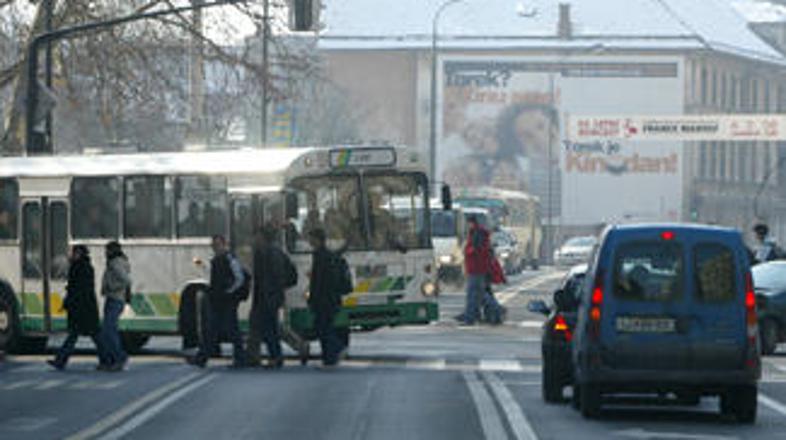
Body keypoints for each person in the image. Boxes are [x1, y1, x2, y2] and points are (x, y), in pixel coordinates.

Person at [189, 235, 247, 368]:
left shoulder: (229, 258)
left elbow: (239, 278)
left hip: (226, 301)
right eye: (213, 245)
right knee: (212, 330)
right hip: (217, 301)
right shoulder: (217, 260)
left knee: (231, 330)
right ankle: (202, 358)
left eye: (217, 245)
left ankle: (239, 358)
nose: (215, 248)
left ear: (224, 244)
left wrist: (228, 291)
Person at [47, 245, 107, 370]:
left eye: (74, 253)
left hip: (81, 309)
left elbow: (75, 289)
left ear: (79, 254)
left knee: (81, 336)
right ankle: (105, 359)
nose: (72, 255)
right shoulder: (85, 266)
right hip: (86, 308)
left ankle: (61, 361)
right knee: (91, 336)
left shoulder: (78, 267)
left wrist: (68, 303)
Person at [247, 225, 294, 368]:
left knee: (270, 329)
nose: (254, 239)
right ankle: (254, 356)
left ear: (262, 237)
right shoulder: (261, 252)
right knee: (261, 326)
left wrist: (273, 295)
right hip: (263, 297)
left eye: (256, 236)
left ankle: (276, 356)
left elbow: (276, 277)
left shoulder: (272, 252)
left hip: (269, 297)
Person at [456, 215, 503, 325]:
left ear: (471, 223)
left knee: (475, 294)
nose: (466, 226)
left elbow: (477, 251)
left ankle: (471, 317)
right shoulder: (477, 233)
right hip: (478, 269)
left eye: (467, 223)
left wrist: (468, 252)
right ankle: (474, 315)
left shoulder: (477, 234)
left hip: (476, 269)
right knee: (479, 294)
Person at [307, 228, 343, 367]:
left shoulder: (320, 255)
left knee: (323, 328)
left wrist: (312, 298)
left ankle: (337, 348)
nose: (309, 241)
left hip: (323, 299)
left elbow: (318, 281)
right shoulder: (327, 254)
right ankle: (329, 358)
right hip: (330, 298)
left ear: (317, 239)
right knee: (324, 327)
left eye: (311, 238)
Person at [100, 241, 132, 371]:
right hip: (113, 299)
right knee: (107, 331)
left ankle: (120, 357)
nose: (105, 252)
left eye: (107, 250)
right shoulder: (116, 261)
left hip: (115, 299)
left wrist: (112, 288)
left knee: (109, 330)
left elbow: (127, 280)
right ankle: (110, 360)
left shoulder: (115, 263)